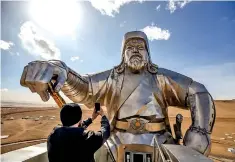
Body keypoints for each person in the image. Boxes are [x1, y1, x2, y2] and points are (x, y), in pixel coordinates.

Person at [20, 31, 216, 161]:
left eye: (141, 47)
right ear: (123, 53)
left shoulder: (161, 77)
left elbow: (197, 91)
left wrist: (201, 131)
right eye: (130, 47)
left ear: (148, 52)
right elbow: (84, 87)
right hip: (116, 142)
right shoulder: (112, 78)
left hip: (160, 141)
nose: (136, 50)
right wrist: (59, 68)